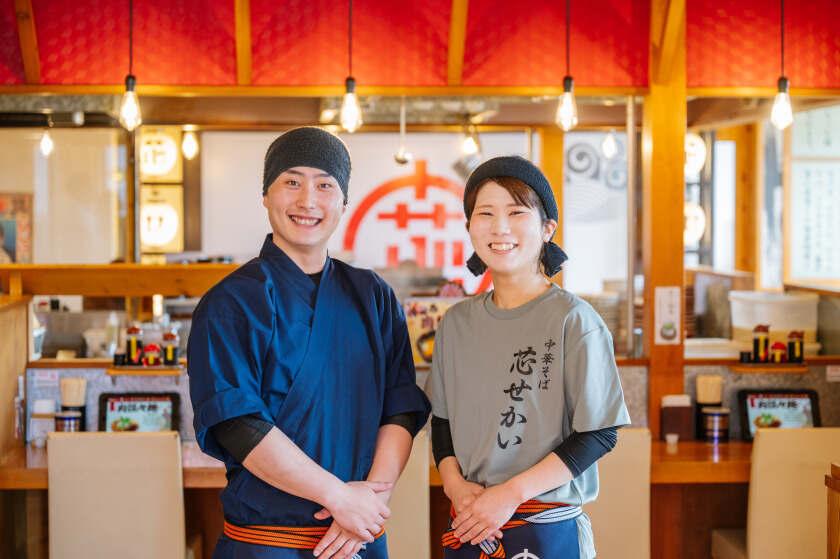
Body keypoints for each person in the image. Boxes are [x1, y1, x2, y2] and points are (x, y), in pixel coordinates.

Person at [188, 127, 431, 559]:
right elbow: (237, 422)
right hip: (267, 543)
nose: (308, 200)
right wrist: (340, 498)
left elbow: (401, 407)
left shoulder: (372, 295)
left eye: (325, 185)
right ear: (266, 194)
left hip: (358, 539)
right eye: (292, 181)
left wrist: (367, 506)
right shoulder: (230, 302)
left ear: (343, 202)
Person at [426, 156, 630, 559]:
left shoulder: (574, 320)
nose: (499, 227)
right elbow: (443, 422)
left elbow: (599, 433)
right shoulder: (455, 323)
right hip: (471, 524)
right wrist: (454, 485)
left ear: (546, 228)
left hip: (545, 529)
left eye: (516, 212)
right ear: (470, 227)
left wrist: (509, 495)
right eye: (485, 213)